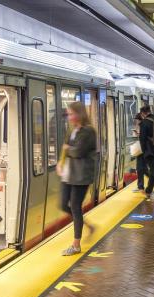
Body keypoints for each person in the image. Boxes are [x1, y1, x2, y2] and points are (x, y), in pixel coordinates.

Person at [56, 101, 97, 256]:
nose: (69, 116)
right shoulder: (72, 130)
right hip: (69, 173)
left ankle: (76, 245)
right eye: (68, 113)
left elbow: (78, 151)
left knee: (74, 206)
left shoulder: (88, 131)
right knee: (63, 204)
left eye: (71, 113)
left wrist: (68, 149)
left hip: (81, 176)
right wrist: (61, 161)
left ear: (79, 114)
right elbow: (65, 148)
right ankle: (87, 226)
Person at [132, 113, 146, 192]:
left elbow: (144, 137)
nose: (136, 122)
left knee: (141, 169)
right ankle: (140, 185)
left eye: (136, 120)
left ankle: (141, 186)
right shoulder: (142, 126)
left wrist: (138, 134)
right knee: (142, 169)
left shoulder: (142, 126)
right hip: (142, 150)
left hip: (142, 151)